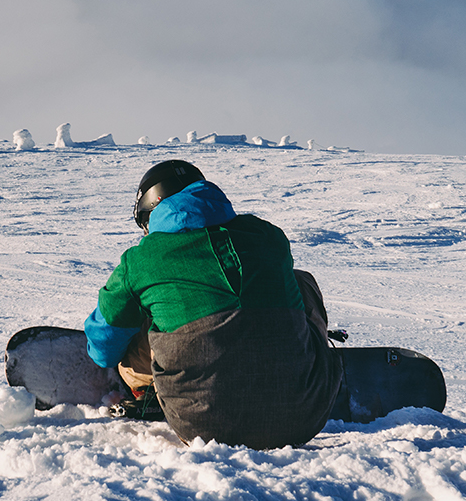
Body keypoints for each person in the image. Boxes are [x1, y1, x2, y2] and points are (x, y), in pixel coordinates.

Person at [84, 159, 341, 449]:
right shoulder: (270, 236)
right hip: (304, 416)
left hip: (202, 425)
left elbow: (104, 350)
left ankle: (148, 389)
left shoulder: (140, 260)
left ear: (152, 210)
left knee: (140, 313)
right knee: (300, 281)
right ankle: (302, 359)